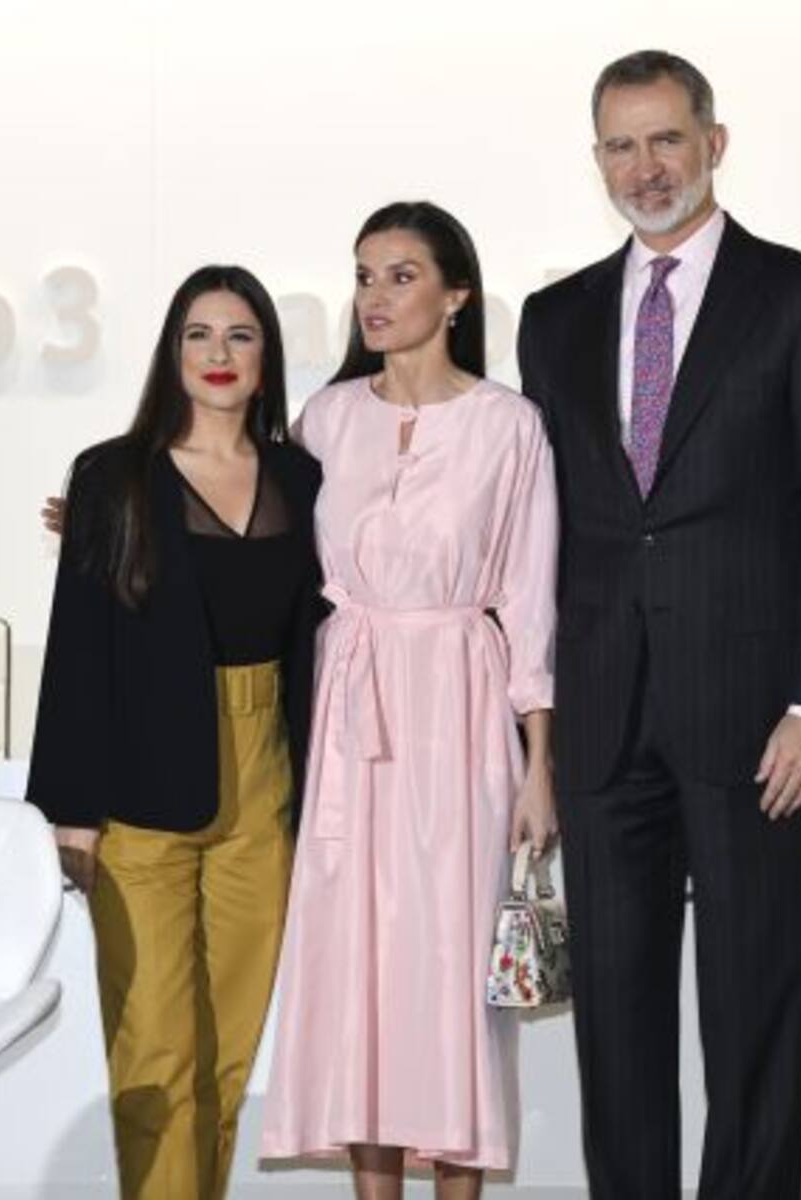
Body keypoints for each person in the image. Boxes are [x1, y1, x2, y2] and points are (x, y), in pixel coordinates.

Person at [517, 51, 801, 1199]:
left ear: (714, 144)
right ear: (597, 161)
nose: (646, 168)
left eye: (666, 139)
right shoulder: (553, 319)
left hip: (757, 728)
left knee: (752, 1019)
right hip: (603, 724)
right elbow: (535, 525)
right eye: (622, 146)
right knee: (615, 1035)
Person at [258, 201, 558, 1199]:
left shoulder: (509, 425)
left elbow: (531, 598)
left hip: (461, 712)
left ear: (456, 294)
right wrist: (117, 514)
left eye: (401, 275)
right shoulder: (327, 418)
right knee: (359, 972)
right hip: (350, 713)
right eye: (363, 276)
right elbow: (253, 539)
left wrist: (540, 766)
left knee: (451, 972)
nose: (374, 297)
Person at [27, 264, 321, 1200]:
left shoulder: (303, 477)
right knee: (157, 1053)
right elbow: (79, 649)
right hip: (139, 795)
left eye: (240, 334)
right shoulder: (112, 477)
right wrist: (72, 814)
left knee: (227, 1058)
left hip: (265, 789)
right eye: (199, 334)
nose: (218, 353)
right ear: (172, 352)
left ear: (267, 354)